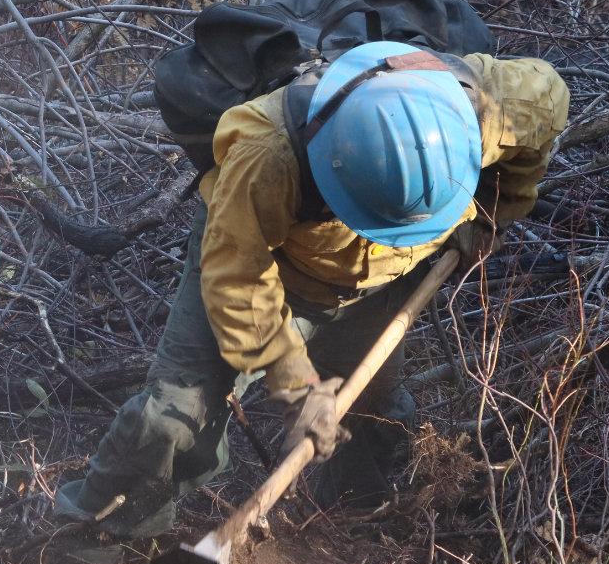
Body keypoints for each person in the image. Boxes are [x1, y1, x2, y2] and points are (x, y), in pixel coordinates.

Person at [57, 41, 570, 537]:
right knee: (173, 418)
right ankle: (93, 545)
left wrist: (491, 216)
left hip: (385, 280)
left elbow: (551, 100)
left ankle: (347, 534)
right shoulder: (266, 153)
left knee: (373, 414)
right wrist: (298, 387)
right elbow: (238, 279)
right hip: (268, 270)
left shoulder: (498, 104)